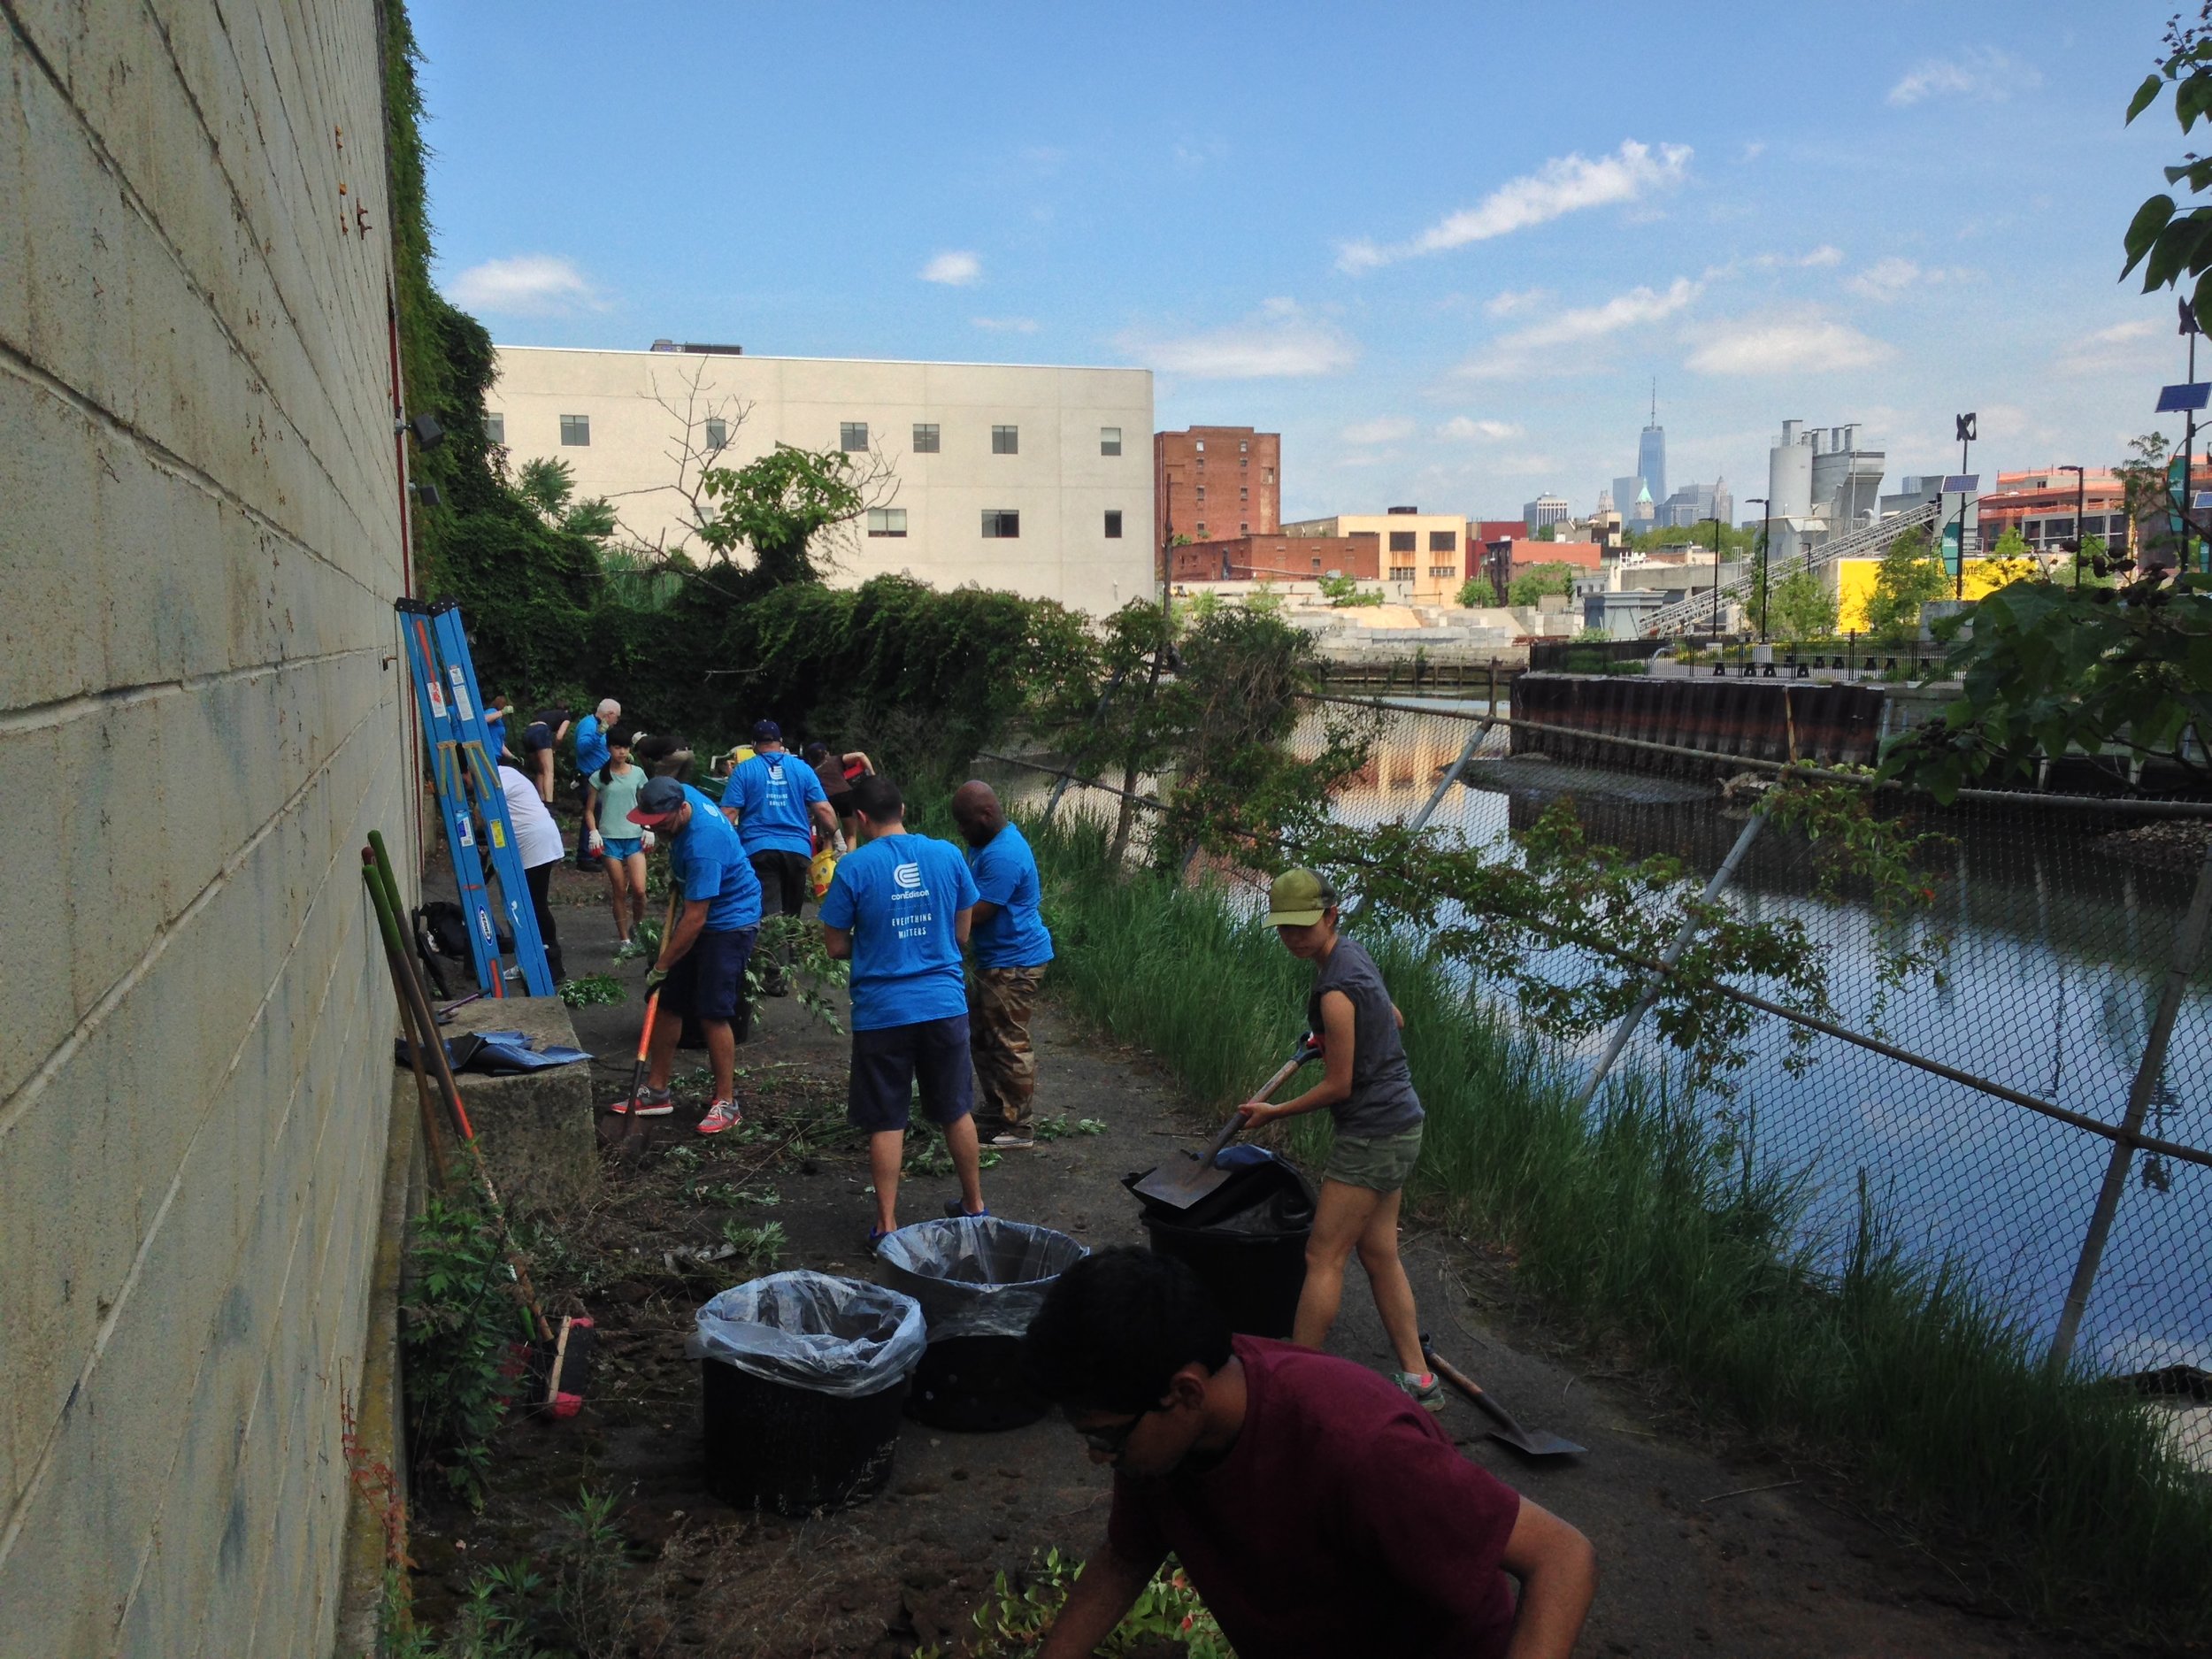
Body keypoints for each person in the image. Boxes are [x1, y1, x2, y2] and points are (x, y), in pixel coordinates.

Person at [1023, 1248, 1596, 1659]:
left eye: (1104, 1438)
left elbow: (1563, 1556)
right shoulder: (1155, 1437)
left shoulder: (1358, 1444)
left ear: (1186, 1392)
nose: (1097, 1457)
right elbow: (1127, 1556)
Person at [1236, 866, 1440, 1407]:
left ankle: (1293, 1383)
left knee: (1322, 1257)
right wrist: (1327, 1037)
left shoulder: (1333, 989)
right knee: (1379, 1252)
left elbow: (1340, 1085)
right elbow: (1390, 1017)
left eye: (1303, 926)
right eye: (1283, 928)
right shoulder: (1353, 956)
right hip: (1402, 1124)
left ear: (1331, 915)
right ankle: (1420, 1379)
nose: (1293, 938)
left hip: (1373, 1134)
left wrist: (1274, 1111)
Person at [818, 774, 985, 1248]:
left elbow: (834, 946)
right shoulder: (949, 855)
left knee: (887, 1118)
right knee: (956, 1109)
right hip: (943, 1004)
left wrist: (877, 942)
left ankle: (887, 1226)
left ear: (862, 818)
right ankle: (974, 1207)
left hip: (882, 1013)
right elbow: (962, 935)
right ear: (904, 809)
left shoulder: (853, 868)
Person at [615, 775, 760, 1134]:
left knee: (713, 1010)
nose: (657, 830)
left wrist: (662, 964)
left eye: (661, 825)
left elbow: (696, 918)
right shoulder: (681, 793)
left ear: (682, 810)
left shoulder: (703, 845)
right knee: (668, 1002)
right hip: (701, 909)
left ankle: (727, 1102)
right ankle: (657, 1092)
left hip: (729, 923)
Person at [951, 780, 1054, 1149]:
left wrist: (932, 919)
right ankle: (998, 1110)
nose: (961, 831)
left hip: (1016, 961)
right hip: (996, 959)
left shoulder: (1003, 854)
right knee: (983, 1037)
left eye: (964, 823)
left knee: (1009, 1041)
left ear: (986, 814)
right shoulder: (985, 844)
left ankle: (1020, 1126)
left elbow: (979, 911)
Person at [726, 720, 838, 995]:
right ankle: (786, 958)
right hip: (798, 851)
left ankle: (775, 975)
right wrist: (835, 836)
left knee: (771, 913)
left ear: (753, 745)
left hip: (760, 850)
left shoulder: (745, 770)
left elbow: (728, 815)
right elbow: (823, 809)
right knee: (790, 910)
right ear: (779, 743)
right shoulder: (802, 769)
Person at [494, 752, 567, 982]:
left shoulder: (500, 776)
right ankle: (531, 960)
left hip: (536, 846)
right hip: (534, 844)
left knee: (533, 905)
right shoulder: (506, 774)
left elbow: (486, 808)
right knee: (529, 905)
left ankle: (550, 963)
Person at [583, 729, 649, 949]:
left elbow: (647, 803)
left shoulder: (638, 773)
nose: (622, 752)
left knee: (639, 890)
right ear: (609, 748)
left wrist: (648, 826)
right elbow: (589, 810)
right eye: (617, 747)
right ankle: (624, 939)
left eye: (625, 747)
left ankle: (637, 928)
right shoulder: (598, 777)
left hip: (634, 837)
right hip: (610, 838)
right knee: (619, 890)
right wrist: (593, 832)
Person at [571, 697, 620, 868]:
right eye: (617, 717)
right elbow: (582, 748)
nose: (617, 721)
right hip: (588, 778)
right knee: (593, 812)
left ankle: (596, 852)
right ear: (610, 714)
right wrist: (598, 733)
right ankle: (585, 857)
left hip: (601, 777)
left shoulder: (600, 726)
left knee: (601, 814)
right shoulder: (589, 725)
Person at [803, 740, 873, 846]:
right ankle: (850, 860)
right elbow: (861, 755)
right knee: (851, 835)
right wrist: (872, 775)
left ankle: (828, 861)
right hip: (846, 795)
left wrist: (818, 833)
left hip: (827, 799)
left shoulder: (812, 772)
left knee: (828, 836)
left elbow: (818, 809)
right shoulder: (836, 759)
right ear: (826, 753)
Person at [519, 707, 570, 804]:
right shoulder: (566, 716)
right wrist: (555, 748)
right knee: (549, 771)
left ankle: (540, 800)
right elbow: (559, 736)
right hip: (541, 732)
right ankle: (549, 802)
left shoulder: (545, 714)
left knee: (540, 771)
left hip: (528, 732)